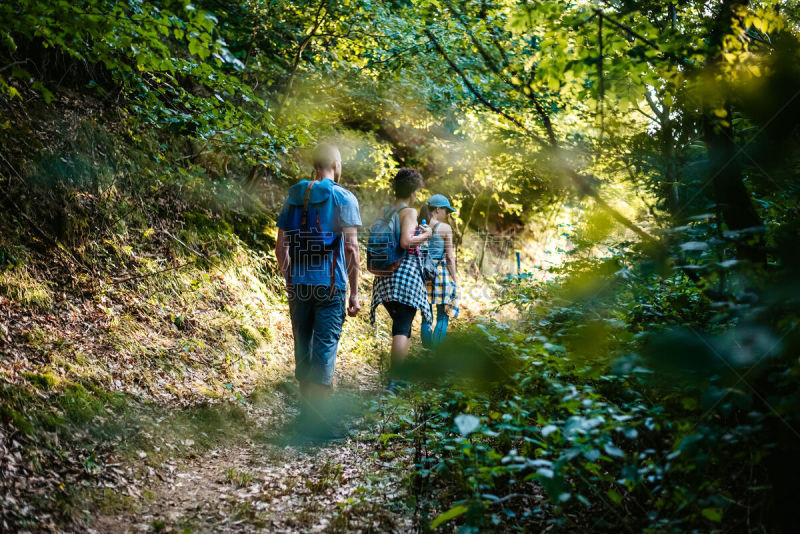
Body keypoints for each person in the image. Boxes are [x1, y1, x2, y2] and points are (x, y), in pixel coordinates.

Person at [275, 143, 361, 437]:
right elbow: (350, 247)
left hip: (299, 284)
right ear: (336, 164)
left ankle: (304, 420)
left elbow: (281, 246)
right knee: (324, 349)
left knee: (303, 347)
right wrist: (354, 292)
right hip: (331, 285)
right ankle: (319, 425)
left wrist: (289, 278)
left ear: (315, 165)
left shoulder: (295, 195)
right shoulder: (343, 197)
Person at [369, 168, 433, 389]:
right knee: (403, 327)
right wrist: (425, 235)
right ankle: (395, 381)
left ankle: (398, 378)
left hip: (384, 276)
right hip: (404, 276)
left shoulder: (385, 211)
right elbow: (406, 242)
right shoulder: (409, 212)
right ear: (413, 191)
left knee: (400, 324)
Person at [419, 194, 459, 348]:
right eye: (446, 211)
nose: (447, 215)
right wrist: (454, 279)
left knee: (426, 317)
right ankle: (435, 354)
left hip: (422, 274)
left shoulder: (418, 226)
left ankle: (426, 351)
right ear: (437, 209)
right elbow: (449, 257)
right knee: (442, 316)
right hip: (440, 274)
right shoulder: (445, 229)